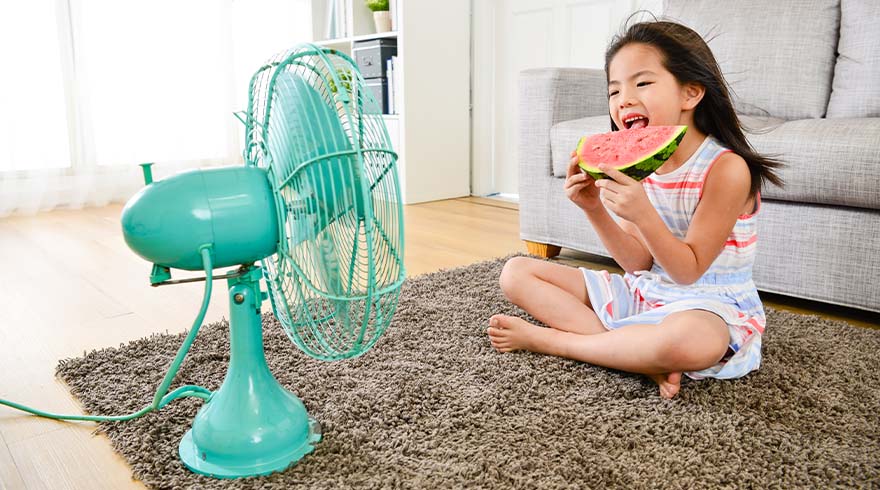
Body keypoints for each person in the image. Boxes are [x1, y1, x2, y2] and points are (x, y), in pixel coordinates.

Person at [486, 20, 784, 399]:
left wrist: (643, 213)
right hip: (650, 290)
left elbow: (688, 271)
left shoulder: (726, 169)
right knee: (516, 272)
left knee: (690, 342)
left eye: (642, 83)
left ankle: (556, 342)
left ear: (690, 93)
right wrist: (593, 207)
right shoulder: (642, 163)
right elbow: (638, 265)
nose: (623, 99)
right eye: (614, 90)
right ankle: (637, 357)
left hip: (709, 302)